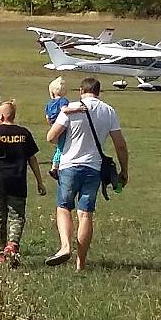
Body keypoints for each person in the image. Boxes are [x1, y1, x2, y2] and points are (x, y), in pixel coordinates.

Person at [45, 77, 129, 271]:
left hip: (68, 165)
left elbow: (51, 137)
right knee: (85, 215)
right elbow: (120, 145)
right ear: (98, 92)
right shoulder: (109, 111)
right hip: (93, 168)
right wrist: (124, 170)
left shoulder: (72, 108)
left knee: (64, 207)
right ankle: (80, 263)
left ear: (81, 90)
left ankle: (65, 246)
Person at [0, 100, 47, 267]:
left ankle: (0, 252)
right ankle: (13, 244)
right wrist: (40, 181)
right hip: (17, 181)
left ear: (1, 116)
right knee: (17, 216)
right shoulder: (24, 133)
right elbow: (32, 159)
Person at [45, 77, 70, 181]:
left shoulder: (49, 103)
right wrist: (77, 109)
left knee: (60, 145)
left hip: (53, 125)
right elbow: (64, 110)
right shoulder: (63, 101)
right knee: (61, 146)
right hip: (61, 126)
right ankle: (55, 167)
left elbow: (47, 117)